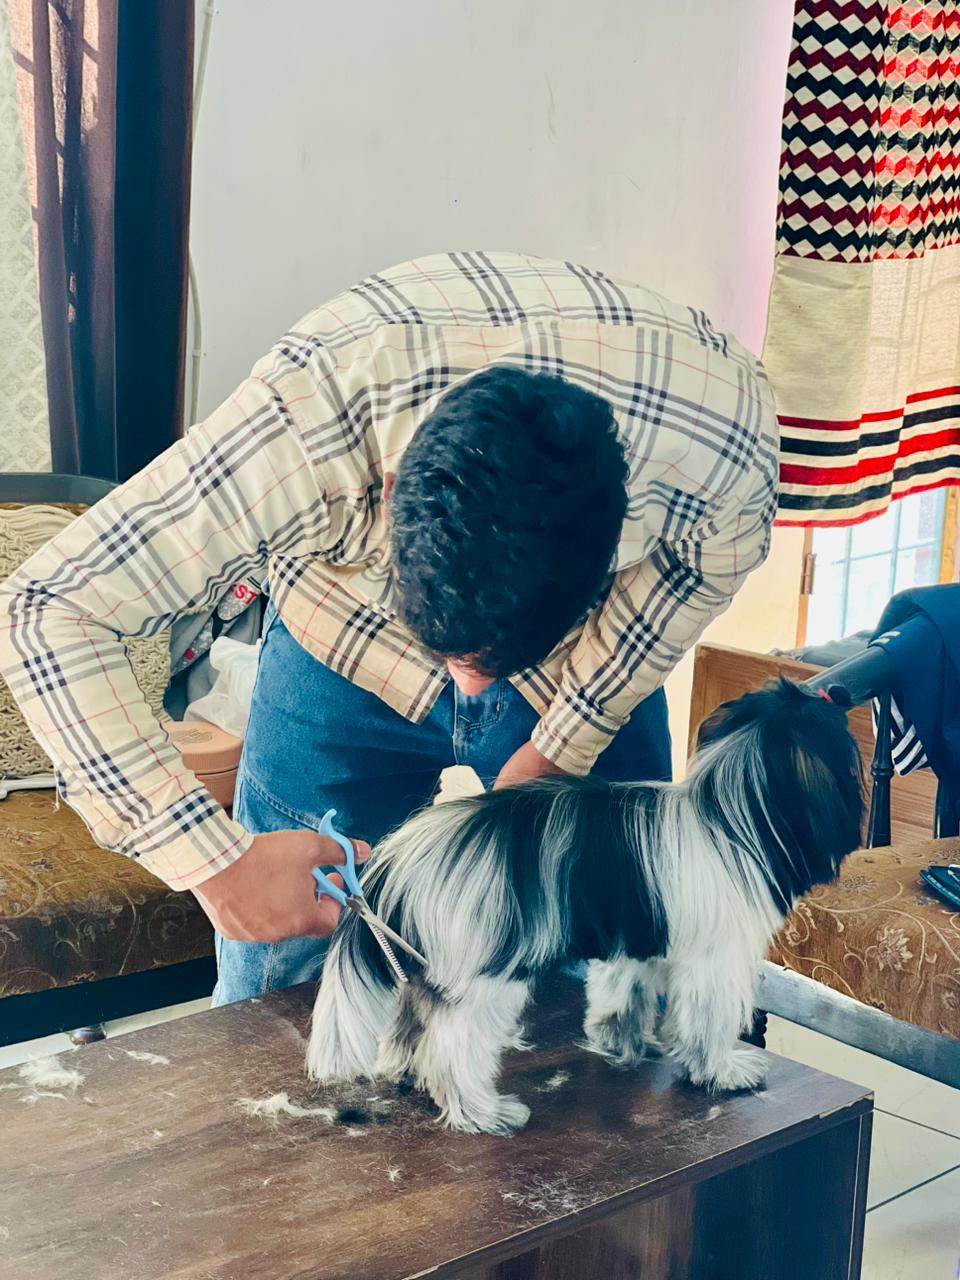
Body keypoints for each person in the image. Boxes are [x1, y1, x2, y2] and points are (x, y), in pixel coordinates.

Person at [0, 251, 779, 1005]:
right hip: (342, 649)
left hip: (583, 676)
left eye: (491, 665)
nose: (470, 693)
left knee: (622, 965)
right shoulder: (303, 426)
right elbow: (45, 610)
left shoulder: (721, 450)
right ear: (394, 491)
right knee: (281, 975)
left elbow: (676, 592)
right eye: (454, 655)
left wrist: (553, 750)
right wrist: (215, 865)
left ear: (613, 540)